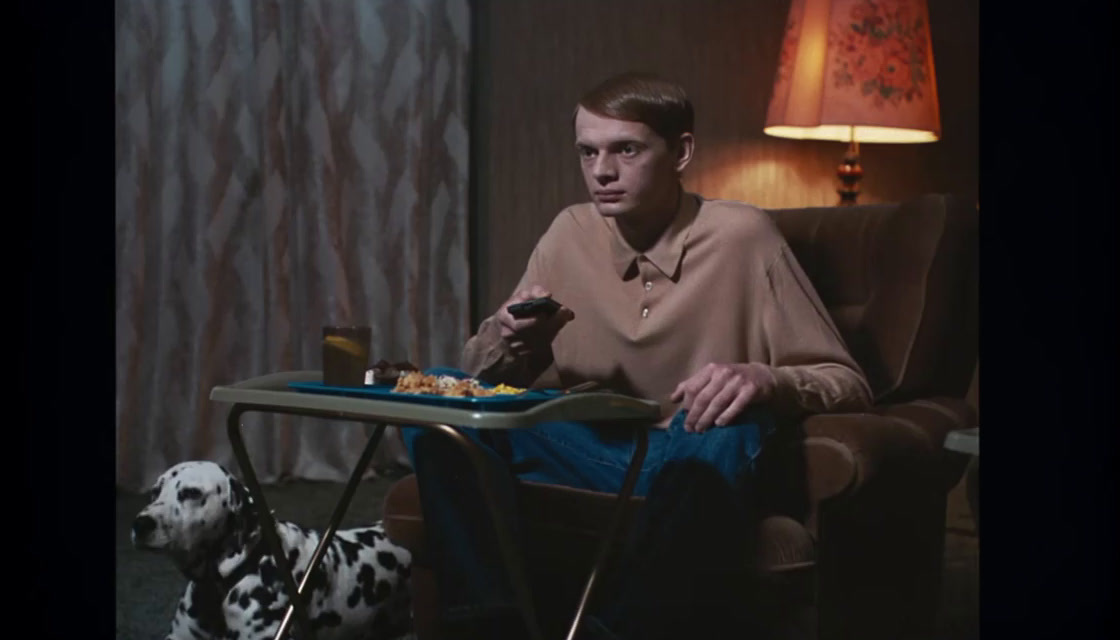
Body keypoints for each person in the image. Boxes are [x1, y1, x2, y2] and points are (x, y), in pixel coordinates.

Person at [400, 71, 872, 639]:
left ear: (681, 151)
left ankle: (616, 630)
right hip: (592, 450)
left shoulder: (744, 235)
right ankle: (488, 621)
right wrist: (513, 340)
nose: (601, 171)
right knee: (437, 393)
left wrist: (762, 377)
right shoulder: (569, 232)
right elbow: (480, 380)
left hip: (698, 452)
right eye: (588, 151)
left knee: (729, 419)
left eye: (626, 149)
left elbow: (846, 381)